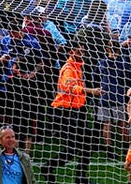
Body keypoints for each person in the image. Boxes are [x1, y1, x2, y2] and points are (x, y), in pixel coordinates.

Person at [45, 40, 101, 184]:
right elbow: (71, 87)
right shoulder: (68, 68)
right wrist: (91, 91)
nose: (82, 54)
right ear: (71, 52)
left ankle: (80, 177)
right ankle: (48, 167)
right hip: (65, 112)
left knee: (87, 143)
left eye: (83, 51)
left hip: (78, 111)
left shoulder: (79, 67)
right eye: (79, 51)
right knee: (72, 149)